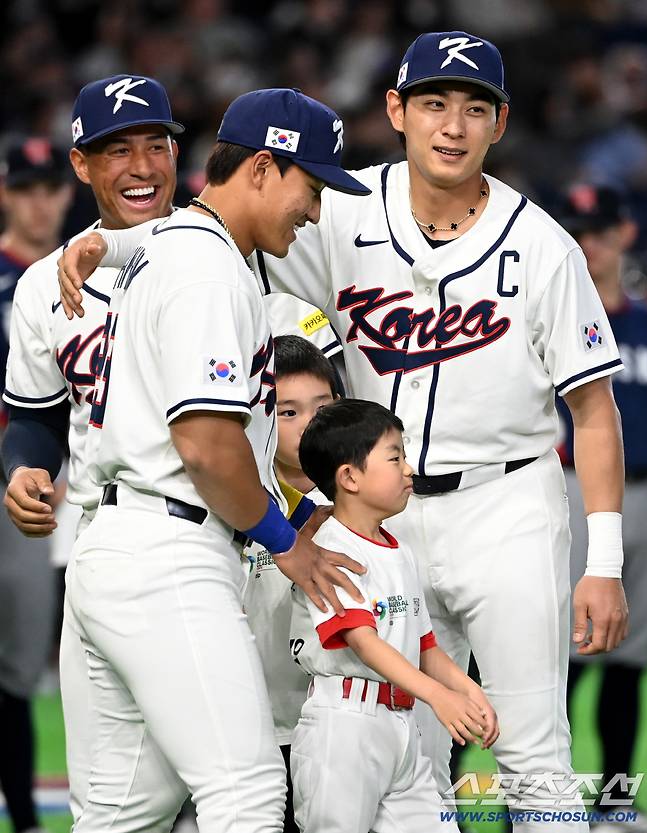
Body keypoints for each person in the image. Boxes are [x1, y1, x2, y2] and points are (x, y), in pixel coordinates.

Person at [57, 33, 630, 829]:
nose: (452, 126)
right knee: (402, 750)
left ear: (501, 123)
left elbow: (595, 411)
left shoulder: (543, 246)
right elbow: (211, 232)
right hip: (377, 512)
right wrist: (110, 242)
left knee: (533, 755)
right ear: (395, 109)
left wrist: (603, 560)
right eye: (433, 102)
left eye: (474, 108)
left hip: (507, 506)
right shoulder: (339, 208)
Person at [65, 87, 369, 833]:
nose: (317, 209)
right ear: (263, 167)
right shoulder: (208, 269)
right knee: (248, 792)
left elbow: (146, 238)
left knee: (126, 813)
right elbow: (205, 444)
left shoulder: (177, 245)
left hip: (118, 545)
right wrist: (285, 541)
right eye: (313, 184)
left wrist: (99, 241)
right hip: (170, 551)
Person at [1, 75, 183, 826]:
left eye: (155, 145)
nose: (141, 166)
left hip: (214, 526)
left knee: (238, 769)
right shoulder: (47, 285)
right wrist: (23, 467)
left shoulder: (223, 251)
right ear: (87, 166)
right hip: (92, 518)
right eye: (117, 150)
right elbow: (35, 414)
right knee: (108, 781)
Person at [289, 398, 498, 833]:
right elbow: (364, 644)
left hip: (401, 729)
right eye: (395, 456)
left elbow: (424, 646)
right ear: (349, 477)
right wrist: (438, 697)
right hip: (344, 727)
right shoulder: (331, 552)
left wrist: (466, 689)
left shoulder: (398, 550)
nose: (409, 469)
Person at [556, 185, 647, 824]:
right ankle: (537, 806)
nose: (585, 246)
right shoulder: (556, 318)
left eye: (595, 231)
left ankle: (616, 804)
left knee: (629, 660)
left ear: (622, 234)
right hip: (573, 496)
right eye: (575, 233)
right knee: (559, 659)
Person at [0, 136, 72, 833]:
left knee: (21, 668)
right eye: (25, 188)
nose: (40, 202)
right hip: (20, 470)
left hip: (63, 478)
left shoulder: (84, 270)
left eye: (49, 187)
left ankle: (24, 819)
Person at [242, 334, 339, 833]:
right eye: (288, 413)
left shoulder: (367, 503)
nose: (307, 428)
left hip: (337, 730)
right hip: (254, 730)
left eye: (321, 409)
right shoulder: (239, 504)